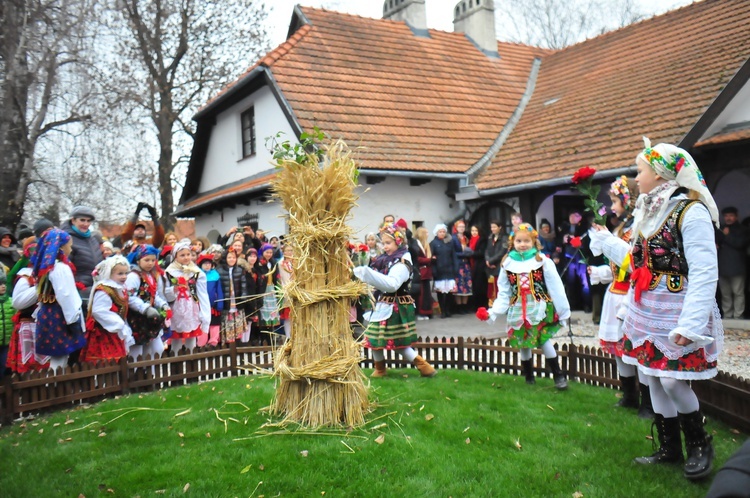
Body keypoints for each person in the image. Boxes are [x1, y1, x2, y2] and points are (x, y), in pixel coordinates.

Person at [591, 138, 723, 480]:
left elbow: (706, 269)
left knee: (672, 380)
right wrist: (607, 241)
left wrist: (692, 323)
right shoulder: (649, 209)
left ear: (661, 173)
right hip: (647, 306)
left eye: (641, 170)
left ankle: (699, 443)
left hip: (677, 308)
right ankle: (669, 448)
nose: (637, 178)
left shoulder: (690, 211)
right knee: (651, 377)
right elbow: (638, 261)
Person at [477, 223, 570, 389]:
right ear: (513, 242)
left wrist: (563, 311)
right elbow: (504, 293)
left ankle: (558, 375)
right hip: (517, 308)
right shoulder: (507, 264)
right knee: (522, 341)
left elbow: (556, 287)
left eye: (527, 241)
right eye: (519, 241)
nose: (523, 244)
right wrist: (493, 312)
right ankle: (528, 375)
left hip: (539, 307)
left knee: (544, 340)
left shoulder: (542, 261)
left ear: (534, 241)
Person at [589, 176, 653, 417]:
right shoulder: (620, 229)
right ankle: (628, 395)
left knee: (636, 348)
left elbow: (634, 263)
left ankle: (648, 402)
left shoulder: (639, 228)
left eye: (615, 201)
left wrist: (608, 240)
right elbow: (618, 266)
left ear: (629, 201)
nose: (612, 207)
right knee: (619, 351)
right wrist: (600, 272)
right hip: (615, 293)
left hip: (633, 295)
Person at [353, 222, 436, 377]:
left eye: (388, 243)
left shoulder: (402, 262)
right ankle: (381, 369)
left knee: (393, 341)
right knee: (374, 339)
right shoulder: (385, 259)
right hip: (384, 304)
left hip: (395, 306)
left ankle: (422, 366)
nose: (385, 247)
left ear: (399, 242)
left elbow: (392, 284)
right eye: (383, 243)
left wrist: (367, 274)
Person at [32, 228, 86, 371]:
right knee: (60, 357)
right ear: (61, 247)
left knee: (58, 357)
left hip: (47, 312)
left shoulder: (46, 267)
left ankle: (55, 386)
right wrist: (73, 319)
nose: (71, 249)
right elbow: (65, 295)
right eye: (69, 246)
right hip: (59, 314)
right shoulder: (60, 268)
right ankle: (54, 386)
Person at [6, 238, 50, 374]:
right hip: (30, 326)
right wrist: (40, 286)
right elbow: (18, 302)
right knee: (30, 368)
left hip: (48, 325)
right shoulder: (25, 276)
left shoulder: (52, 272)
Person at [79, 256, 134, 363]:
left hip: (114, 332)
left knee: (117, 362)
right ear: (109, 274)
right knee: (104, 363)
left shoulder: (119, 288)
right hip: (103, 333)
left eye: (126, 273)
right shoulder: (104, 290)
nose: (124, 277)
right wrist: (119, 324)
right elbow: (99, 311)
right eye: (120, 274)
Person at [125, 245, 170, 360]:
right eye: (146, 260)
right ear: (138, 260)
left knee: (157, 349)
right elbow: (130, 297)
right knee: (137, 351)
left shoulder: (152, 275)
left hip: (150, 317)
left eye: (153, 260)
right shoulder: (133, 276)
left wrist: (163, 305)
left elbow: (154, 295)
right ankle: (135, 375)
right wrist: (145, 308)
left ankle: (151, 374)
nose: (150, 263)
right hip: (137, 318)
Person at [165, 240, 210, 353]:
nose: (186, 257)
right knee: (177, 339)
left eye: (188, 254)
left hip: (191, 307)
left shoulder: (196, 272)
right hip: (176, 308)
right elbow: (164, 292)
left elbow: (202, 294)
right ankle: (176, 360)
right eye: (182, 255)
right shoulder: (169, 272)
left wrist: (204, 313)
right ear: (175, 256)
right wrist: (173, 290)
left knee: (191, 336)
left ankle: (192, 360)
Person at [62, 205, 104, 305]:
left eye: (88, 221)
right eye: (82, 220)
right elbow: (64, 268)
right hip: (77, 290)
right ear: (73, 221)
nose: (86, 224)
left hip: (95, 286)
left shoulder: (93, 239)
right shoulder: (66, 239)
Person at [716, 206, 749, 319]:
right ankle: (727, 315)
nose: (728, 218)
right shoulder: (720, 229)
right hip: (722, 267)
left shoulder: (743, 230)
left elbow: (740, 244)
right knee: (725, 294)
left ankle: (738, 315)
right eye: (726, 216)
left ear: (736, 216)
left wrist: (727, 236)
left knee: (738, 293)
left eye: (731, 216)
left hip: (737, 267)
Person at [558, 211, 591, 312]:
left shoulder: (584, 228)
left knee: (584, 282)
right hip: (568, 257)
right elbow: (558, 241)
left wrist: (577, 240)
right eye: (571, 215)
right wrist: (563, 240)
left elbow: (587, 242)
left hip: (580, 257)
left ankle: (587, 305)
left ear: (580, 217)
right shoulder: (564, 228)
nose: (572, 217)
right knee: (570, 282)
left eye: (575, 215)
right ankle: (572, 305)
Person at [217, 248, 248, 344]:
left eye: (234, 257)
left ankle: (237, 343)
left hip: (236, 299)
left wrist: (243, 297)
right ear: (225, 258)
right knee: (227, 323)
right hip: (226, 300)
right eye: (229, 257)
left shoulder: (240, 270)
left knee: (237, 323)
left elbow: (243, 285)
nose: (232, 259)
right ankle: (227, 345)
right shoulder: (219, 270)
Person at [430, 224, 458, 319]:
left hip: (449, 269)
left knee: (449, 292)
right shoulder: (433, 243)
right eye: (440, 232)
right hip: (439, 270)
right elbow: (432, 258)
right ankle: (442, 310)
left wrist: (455, 268)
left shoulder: (449, 242)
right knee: (441, 292)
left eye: (443, 232)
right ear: (436, 233)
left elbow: (453, 256)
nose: (442, 233)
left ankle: (448, 310)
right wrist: (434, 270)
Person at [196, 253, 223, 348]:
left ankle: (213, 342)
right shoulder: (197, 275)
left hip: (213, 305)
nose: (207, 265)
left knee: (214, 323)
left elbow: (219, 290)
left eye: (209, 264)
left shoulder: (215, 275)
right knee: (203, 323)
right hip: (202, 305)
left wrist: (220, 302)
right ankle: (201, 343)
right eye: (205, 264)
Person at [257, 243, 281, 336]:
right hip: (264, 289)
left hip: (271, 289)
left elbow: (277, 276)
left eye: (271, 252)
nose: (269, 254)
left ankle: (271, 331)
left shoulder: (273, 262)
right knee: (264, 310)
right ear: (263, 252)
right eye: (267, 252)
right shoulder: (259, 263)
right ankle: (264, 335)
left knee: (272, 311)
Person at [411, 227, 434, 320]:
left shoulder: (424, 244)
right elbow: (417, 259)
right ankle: (420, 312)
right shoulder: (416, 245)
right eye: (426, 232)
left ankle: (426, 312)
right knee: (421, 295)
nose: (428, 234)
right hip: (420, 273)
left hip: (425, 273)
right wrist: (429, 260)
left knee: (426, 294)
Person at [452, 220, 473, 314]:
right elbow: (453, 252)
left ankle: (465, 306)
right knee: (459, 285)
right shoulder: (454, 238)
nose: (462, 228)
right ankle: (459, 307)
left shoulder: (466, 237)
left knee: (466, 285)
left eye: (463, 227)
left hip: (466, 264)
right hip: (459, 263)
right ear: (456, 228)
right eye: (460, 227)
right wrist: (463, 253)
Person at [485, 220, 507, 306]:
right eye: (491, 227)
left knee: (500, 285)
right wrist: (488, 260)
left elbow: (502, 252)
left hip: (499, 264)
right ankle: (493, 303)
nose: (492, 229)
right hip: (490, 265)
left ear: (500, 227)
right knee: (491, 285)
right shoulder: (490, 237)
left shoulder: (504, 238)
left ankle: (502, 304)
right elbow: (487, 250)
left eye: (494, 227)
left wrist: (491, 261)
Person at [467, 225, 488, 309]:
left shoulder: (482, 240)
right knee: (475, 286)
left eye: (476, 230)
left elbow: (481, 253)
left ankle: (482, 304)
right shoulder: (470, 240)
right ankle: (476, 305)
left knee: (481, 286)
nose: (474, 232)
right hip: (473, 265)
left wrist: (471, 253)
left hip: (480, 265)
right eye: (472, 231)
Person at [278, 244, 294, 338]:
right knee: (288, 316)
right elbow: (281, 279)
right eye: (287, 250)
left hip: (296, 290)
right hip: (286, 291)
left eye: (291, 250)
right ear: (283, 252)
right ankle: (288, 337)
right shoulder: (281, 264)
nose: (289, 252)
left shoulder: (296, 262)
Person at [0, 275, 14, 378]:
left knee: (4, 365)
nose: (3, 286)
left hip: (7, 342)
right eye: (0, 284)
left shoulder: (11, 301)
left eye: (4, 283)